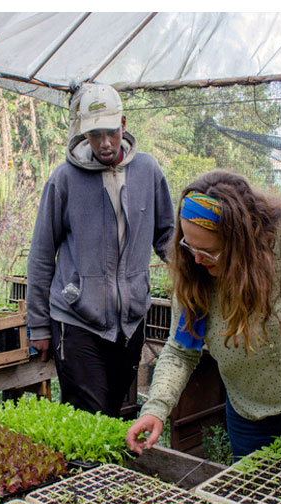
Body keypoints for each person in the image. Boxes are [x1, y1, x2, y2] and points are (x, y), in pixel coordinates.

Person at [126, 170, 281, 473]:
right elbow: (180, 350)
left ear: (242, 240)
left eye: (208, 251)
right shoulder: (196, 277)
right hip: (254, 422)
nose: (196, 259)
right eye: (189, 246)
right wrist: (157, 408)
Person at [26, 83, 174, 418]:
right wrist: (38, 325)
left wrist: (193, 273)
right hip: (77, 318)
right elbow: (41, 254)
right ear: (83, 134)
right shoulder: (64, 179)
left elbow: (167, 235)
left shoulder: (147, 172)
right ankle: (86, 471)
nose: (104, 144)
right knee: (86, 417)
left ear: (123, 125)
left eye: (110, 133)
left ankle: (104, 471)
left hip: (130, 320)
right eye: (95, 136)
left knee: (113, 412)